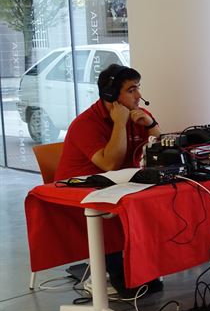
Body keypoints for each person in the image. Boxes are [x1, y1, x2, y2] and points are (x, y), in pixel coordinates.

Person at [55, 63, 164, 298]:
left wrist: (152, 126)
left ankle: (140, 265)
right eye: (132, 90)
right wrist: (119, 123)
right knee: (130, 290)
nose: (139, 96)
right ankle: (106, 274)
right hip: (84, 194)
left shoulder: (139, 115)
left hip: (118, 189)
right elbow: (110, 164)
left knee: (160, 203)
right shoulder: (86, 124)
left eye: (138, 88)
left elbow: (161, 154)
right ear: (111, 95)